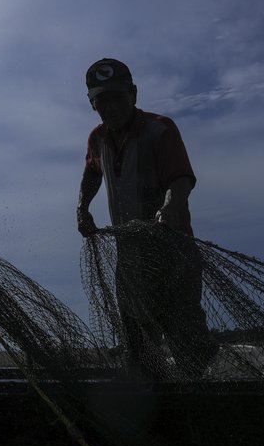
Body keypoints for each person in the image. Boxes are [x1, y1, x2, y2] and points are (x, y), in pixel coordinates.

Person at [76, 58, 215, 379]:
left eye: (117, 97)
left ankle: (195, 392)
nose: (111, 108)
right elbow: (91, 173)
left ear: (134, 94)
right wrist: (82, 208)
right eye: (101, 101)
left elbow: (180, 180)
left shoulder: (159, 129)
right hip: (131, 259)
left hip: (173, 252)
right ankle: (152, 404)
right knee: (138, 344)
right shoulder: (97, 138)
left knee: (185, 333)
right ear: (92, 104)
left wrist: (170, 207)